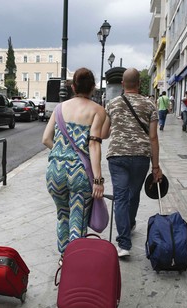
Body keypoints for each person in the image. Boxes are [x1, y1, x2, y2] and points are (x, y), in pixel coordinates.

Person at [42, 68, 106, 258]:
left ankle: (63, 258)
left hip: (55, 171)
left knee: (63, 215)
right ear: (93, 88)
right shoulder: (98, 111)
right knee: (78, 219)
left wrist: (62, 153)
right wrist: (98, 180)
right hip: (79, 174)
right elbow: (94, 145)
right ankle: (74, 263)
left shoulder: (59, 108)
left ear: (73, 86)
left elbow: (46, 139)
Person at [102, 68, 162, 257]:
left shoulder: (112, 104)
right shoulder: (150, 104)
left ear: (122, 84)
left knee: (120, 197)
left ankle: (124, 244)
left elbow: (104, 134)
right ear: (139, 84)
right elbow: (153, 137)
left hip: (117, 156)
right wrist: (156, 166)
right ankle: (131, 223)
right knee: (133, 194)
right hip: (141, 157)